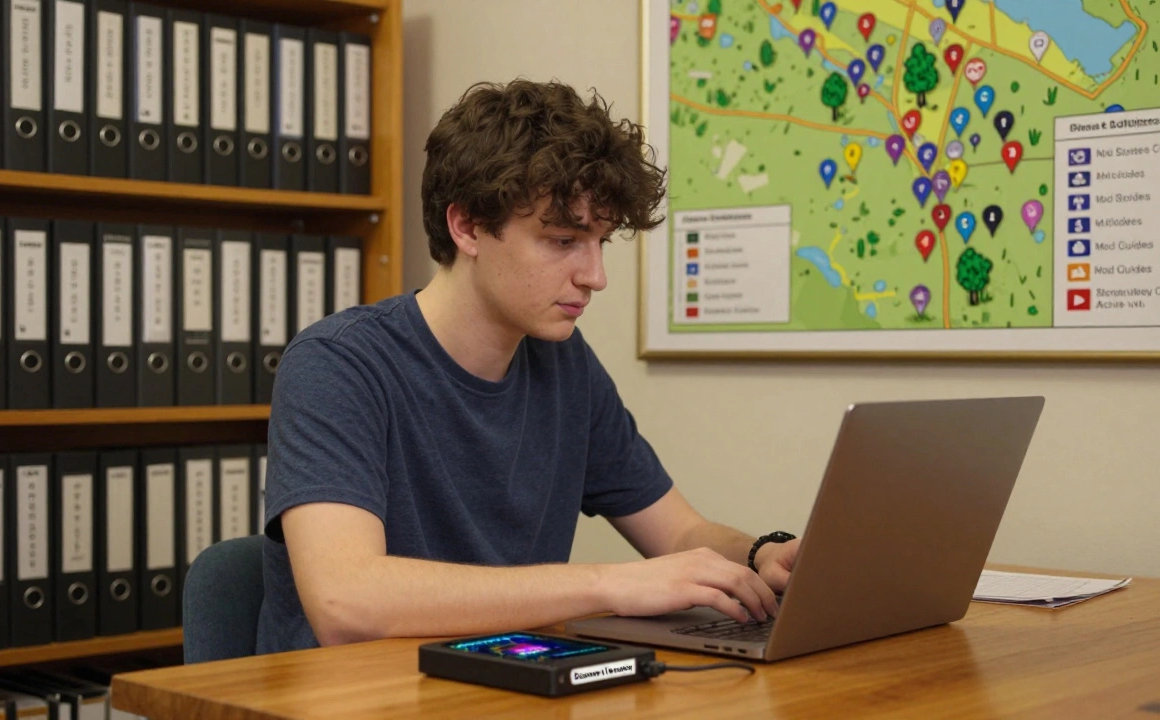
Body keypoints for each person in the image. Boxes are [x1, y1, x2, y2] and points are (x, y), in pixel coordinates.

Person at [254, 79, 800, 655]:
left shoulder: (566, 365)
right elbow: (347, 603)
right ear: (465, 226)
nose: (595, 276)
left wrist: (764, 552)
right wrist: (608, 584)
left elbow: (682, 533)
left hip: (494, 689)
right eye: (563, 240)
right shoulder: (337, 365)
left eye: (600, 242)